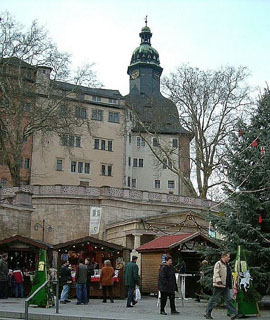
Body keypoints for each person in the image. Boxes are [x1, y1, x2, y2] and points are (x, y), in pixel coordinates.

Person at [204, 252, 240, 320]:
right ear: (224, 257)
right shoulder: (218, 264)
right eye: (228, 257)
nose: (229, 258)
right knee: (214, 299)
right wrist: (218, 280)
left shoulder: (227, 264)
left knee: (228, 300)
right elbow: (216, 273)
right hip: (219, 285)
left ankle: (234, 314)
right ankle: (207, 313)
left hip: (225, 285)